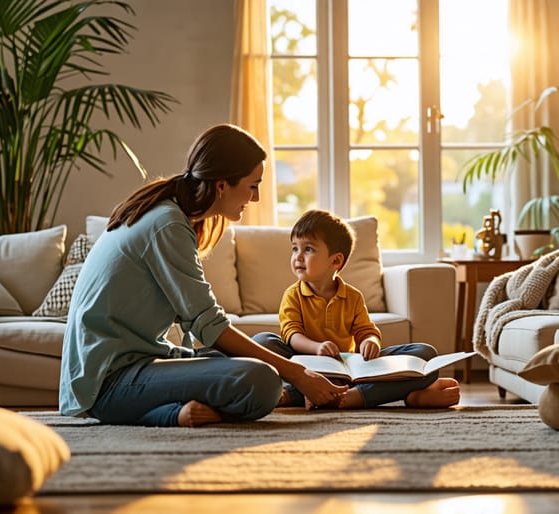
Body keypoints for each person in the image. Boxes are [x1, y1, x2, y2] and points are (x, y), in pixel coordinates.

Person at [59, 124, 347, 427]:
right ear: (222, 185)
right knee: (261, 378)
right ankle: (172, 414)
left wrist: (287, 367)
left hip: (142, 360)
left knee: (269, 343)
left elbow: (200, 327)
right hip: (110, 382)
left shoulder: (171, 214)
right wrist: (297, 373)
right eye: (252, 185)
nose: (257, 197)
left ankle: (197, 403)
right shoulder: (167, 224)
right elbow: (209, 326)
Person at [252, 209, 461, 409]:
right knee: (262, 342)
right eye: (295, 248)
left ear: (335, 260)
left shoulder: (352, 296)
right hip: (305, 367)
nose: (297, 256)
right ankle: (346, 394)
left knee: (426, 355)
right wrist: (316, 348)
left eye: (308, 249)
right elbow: (291, 334)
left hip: (345, 368)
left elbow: (365, 331)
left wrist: (370, 342)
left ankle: (347, 396)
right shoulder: (293, 294)